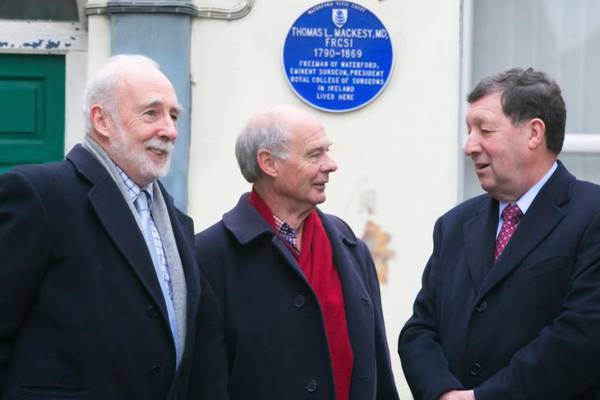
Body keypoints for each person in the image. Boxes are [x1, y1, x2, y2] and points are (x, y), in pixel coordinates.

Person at [0, 55, 227, 399]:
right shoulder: (41, 194)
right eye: (151, 113)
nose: (169, 130)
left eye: (173, 115)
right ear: (102, 120)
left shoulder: (177, 222)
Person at [398, 67, 600, 400]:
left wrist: (485, 397)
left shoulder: (590, 216)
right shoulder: (453, 226)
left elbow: (582, 337)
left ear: (534, 133)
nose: (469, 146)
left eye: (484, 130)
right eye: (468, 130)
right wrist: (444, 392)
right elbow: (420, 330)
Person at [194, 104, 399, 400]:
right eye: (314, 154)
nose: (331, 164)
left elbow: (378, 364)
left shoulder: (349, 245)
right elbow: (206, 383)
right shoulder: (210, 257)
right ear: (268, 163)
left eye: (326, 151)